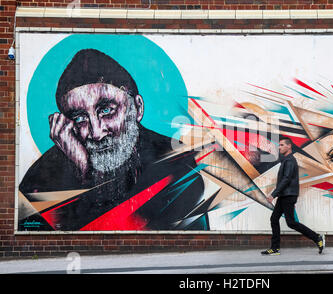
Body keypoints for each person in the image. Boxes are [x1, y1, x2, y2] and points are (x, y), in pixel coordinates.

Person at [19, 49, 205, 231]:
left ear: (137, 108)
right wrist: (84, 170)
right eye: (79, 118)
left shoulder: (176, 162)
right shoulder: (41, 178)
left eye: (107, 110)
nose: (96, 133)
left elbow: (179, 240)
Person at [261, 137, 325, 255]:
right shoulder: (286, 160)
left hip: (288, 195)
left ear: (289, 146)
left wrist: (273, 195)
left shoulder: (290, 161)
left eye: (281, 145)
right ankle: (275, 248)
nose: (279, 147)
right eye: (279, 145)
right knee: (274, 219)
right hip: (285, 195)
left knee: (291, 222)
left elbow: (286, 179)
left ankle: (317, 237)